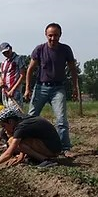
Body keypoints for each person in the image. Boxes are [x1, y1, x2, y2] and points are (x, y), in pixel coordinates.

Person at [24, 23, 79, 156]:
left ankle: (65, 148)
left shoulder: (66, 50)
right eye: (50, 35)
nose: (53, 38)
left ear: (60, 35)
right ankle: (26, 144)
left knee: (61, 119)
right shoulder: (40, 49)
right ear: (46, 35)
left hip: (58, 88)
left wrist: (75, 87)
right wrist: (27, 88)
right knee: (31, 117)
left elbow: (72, 69)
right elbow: (30, 69)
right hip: (40, 87)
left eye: (56, 35)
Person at [0, 107, 62, 173]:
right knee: (14, 141)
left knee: (14, 142)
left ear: (10, 121)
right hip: (50, 145)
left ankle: (46, 160)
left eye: (4, 126)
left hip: (52, 149)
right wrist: (21, 157)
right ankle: (37, 158)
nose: (4, 130)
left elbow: (8, 153)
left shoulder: (21, 127)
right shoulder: (21, 120)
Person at [0, 42, 26, 109]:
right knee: (7, 111)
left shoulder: (19, 59)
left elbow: (22, 75)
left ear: (10, 49)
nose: (6, 54)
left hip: (15, 91)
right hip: (5, 91)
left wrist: (13, 90)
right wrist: (0, 81)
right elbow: (1, 74)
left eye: (7, 52)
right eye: (4, 53)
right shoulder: (3, 62)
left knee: (16, 112)